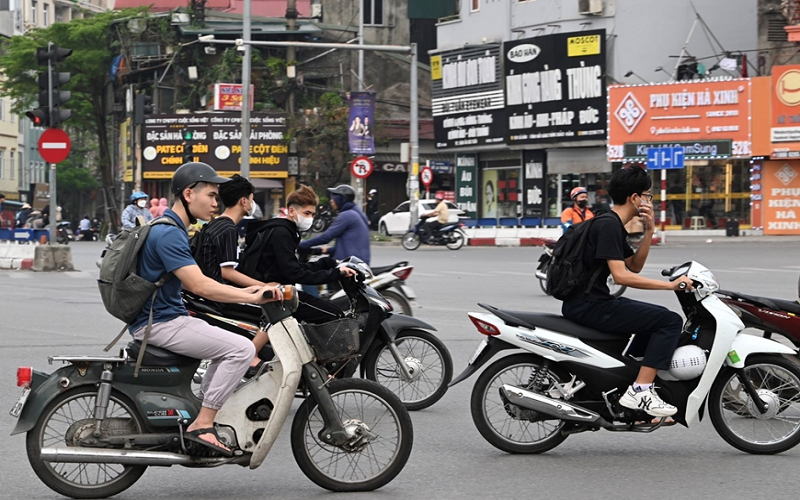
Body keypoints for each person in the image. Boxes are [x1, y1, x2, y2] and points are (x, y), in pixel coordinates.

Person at [128, 162, 281, 455]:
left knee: (225, 343)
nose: (216, 202)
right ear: (188, 193)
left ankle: (201, 410)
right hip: (161, 322)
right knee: (242, 350)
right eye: (211, 195)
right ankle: (203, 424)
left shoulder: (172, 227)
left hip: (167, 316)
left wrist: (246, 289)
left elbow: (186, 282)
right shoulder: (170, 233)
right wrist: (253, 298)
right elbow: (198, 285)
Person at [560, 165, 694, 418]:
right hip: (590, 304)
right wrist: (670, 285)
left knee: (650, 319)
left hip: (587, 302)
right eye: (647, 195)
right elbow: (623, 276)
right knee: (668, 320)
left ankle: (631, 378)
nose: (648, 200)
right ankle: (640, 390)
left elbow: (633, 264)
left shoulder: (611, 223)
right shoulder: (609, 225)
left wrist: (649, 231)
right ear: (635, 198)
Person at [242, 185, 357, 324]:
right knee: (335, 314)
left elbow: (294, 267)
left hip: (282, 290)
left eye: (313, 215)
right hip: (278, 294)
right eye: (307, 213)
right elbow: (295, 273)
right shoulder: (282, 233)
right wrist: (336, 274)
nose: (310, 218)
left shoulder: (286, 230)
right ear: (292, 211)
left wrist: (329, 263)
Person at [195, 174, 272, 375]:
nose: (252, 204)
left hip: (207, 294)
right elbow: (227, 272)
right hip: (217, 298)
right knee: (275, 312)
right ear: (244, 201)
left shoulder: (214, 223)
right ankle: (251, 356)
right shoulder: (228, 228)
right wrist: (263, 286)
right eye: (252, 199)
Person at [299, 184, 371, 264]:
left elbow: (326, 237)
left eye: (334, 198)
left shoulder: (347, 215)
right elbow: (349, 245)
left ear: (341, 199)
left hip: (349, 265)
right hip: (356, 262)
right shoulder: (356, 213)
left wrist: (303, 244)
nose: (331, 201)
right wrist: (324, 250)